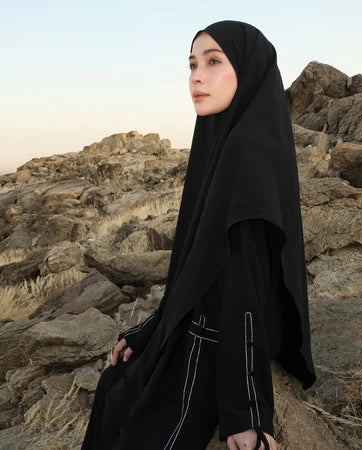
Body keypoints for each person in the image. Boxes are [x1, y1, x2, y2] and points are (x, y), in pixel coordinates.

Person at [81, 20, 316, 450]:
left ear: (247, 70)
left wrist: (247, 409)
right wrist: (151, 330)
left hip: (215, 345)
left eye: (213, 62)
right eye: (192, 65)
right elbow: (196, 260)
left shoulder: (247, 153)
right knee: (116, 384)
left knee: (144, 427)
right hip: (198, 321)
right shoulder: (221, 137)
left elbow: (246, 281)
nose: (196, 77)